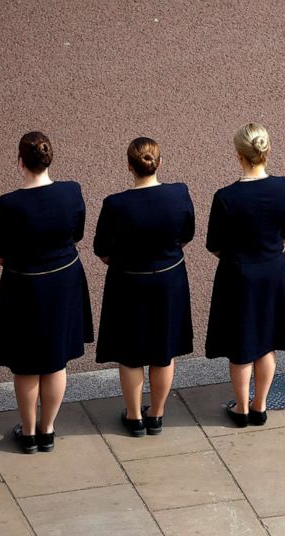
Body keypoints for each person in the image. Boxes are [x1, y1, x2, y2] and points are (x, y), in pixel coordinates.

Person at [0, 132, 94, 453]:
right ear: (50, 158)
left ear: (20, 161)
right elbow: (77, 233)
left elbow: (0, 252)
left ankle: (29, 433)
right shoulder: (71, 191)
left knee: (26, 363)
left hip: (24, 288)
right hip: (63, 282)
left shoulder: (9, 204)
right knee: (55, 360)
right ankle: (47, 430)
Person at [95, 138, 195, 436]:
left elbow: (102, 249)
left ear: (129, 166)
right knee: (163, 351)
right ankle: (157, 413)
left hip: (128, 284)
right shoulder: (179, 194)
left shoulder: (115, 204)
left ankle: (135, 416)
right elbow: (186, 234)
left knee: (130, 353)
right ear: (159, 162)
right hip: (168, 281)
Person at [206, 123, 285, 426]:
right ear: (267, 151)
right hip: (273, 270)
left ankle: (242, 408)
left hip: (238, 274)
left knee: (241, 343)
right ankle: (260, 405)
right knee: (267, 340)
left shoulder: (226, 197)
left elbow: (215, 246)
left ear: (239, 155)